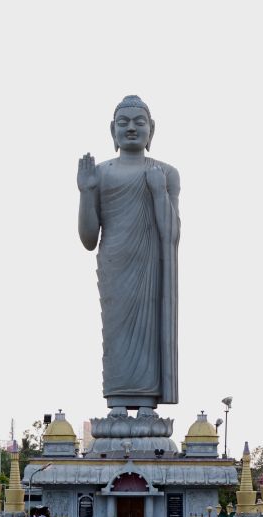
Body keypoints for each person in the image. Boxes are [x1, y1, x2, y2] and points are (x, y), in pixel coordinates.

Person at [77, 94, 181, 414]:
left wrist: (158, 191)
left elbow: (173, 233)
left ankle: (149, 403)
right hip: (114, 265)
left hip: (150, 268)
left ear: (152, 129)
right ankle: (117, 402)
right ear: (112, 130)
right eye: (124, 123)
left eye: (139, 123)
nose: (132, 129)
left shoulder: (166, 173)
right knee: (117, 335)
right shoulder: (102, 173)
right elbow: (88, 238)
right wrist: (86, 192)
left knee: (148, 333)